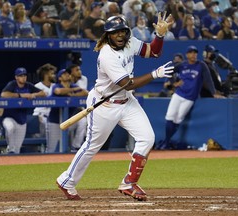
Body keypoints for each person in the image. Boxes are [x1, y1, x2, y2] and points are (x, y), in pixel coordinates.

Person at [56, 13, 174, 201]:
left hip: (126, 101)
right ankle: (67, 181)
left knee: (147, 138)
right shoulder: (106, 55)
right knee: (91, 146)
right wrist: (155, 74)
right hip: (104, 104)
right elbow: (128, 83)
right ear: (107, 35)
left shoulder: (130, 42)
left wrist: (159, 35)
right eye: (115, 32)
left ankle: (129, 182)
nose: (119, 35)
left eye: (122, 31)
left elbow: (153, 52)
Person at [155, 45, 224, 150]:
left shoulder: (201, 65)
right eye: (191, 52)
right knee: (169, 117)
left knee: (178, 119)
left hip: (190, 98)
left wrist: (213, 92)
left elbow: (208, 79)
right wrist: (174, 83)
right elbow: (169, 72)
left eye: (195, 53)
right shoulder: (182, 65)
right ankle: (167, 141)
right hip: (178, 94)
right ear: (187, 54)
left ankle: (167, 142)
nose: (193, 54)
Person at [1, 67, 46, 154]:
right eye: (21, 76)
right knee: (10, 128)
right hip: (9, 117)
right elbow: (4, 94)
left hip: (22, 119)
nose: (23, 77)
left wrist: (32, 94)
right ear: (16, 77)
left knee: (17, 149)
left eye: (24, 75)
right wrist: (22, 95)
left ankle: (11, 159)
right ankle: (9, 147)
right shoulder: (12, 84)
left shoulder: (28, 85)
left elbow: (43, 93)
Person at [47, 68, 88, 153]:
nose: (67, 75)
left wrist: (73, 95)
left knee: (83, 121)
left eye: (68, 73)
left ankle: (76, 146)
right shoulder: (56, 86)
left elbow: (85, 92)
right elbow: (58, 91)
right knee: (51, 149)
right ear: (59, 78)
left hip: (69, 121)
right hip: (55, 122)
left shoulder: (74, 85)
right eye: (64, 74)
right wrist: (72, 91)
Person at [32, 63, 57, 138]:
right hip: (40, 114)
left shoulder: (55, 86)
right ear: (46, 75)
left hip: (51, 116)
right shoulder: (37, 86)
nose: (54, 75)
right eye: (52, 74)